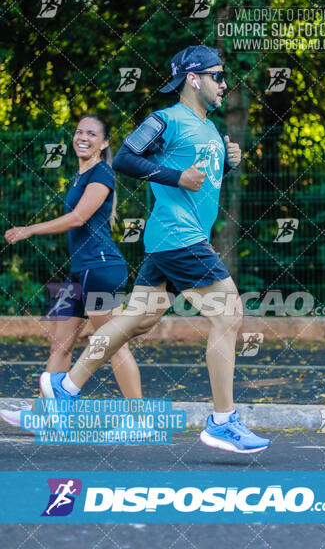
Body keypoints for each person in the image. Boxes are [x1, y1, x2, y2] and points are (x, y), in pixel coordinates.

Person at [38, 46, 270, 454]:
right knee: (229, 314)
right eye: (217, 76)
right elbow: (126, 157)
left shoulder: (209, 127)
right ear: (193, 79)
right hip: (179, 236)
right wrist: (175, 176)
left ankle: (66, 386)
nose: (224, 84)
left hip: (172, 239)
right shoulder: (165, 119)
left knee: (134, 321)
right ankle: (222, 422)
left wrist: (229, 162)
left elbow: (203, 175)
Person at [1, 115, 142, 427]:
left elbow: (78, 218)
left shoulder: (102, 173)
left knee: (112, 346)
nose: (83, 137)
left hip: (101, 269)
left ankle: (139, 419)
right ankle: (46, 415)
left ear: (104, 143)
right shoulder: (81, 175)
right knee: (59, 344)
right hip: (79, 273)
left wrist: (30, 230)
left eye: (92, 133)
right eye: (79, 131)